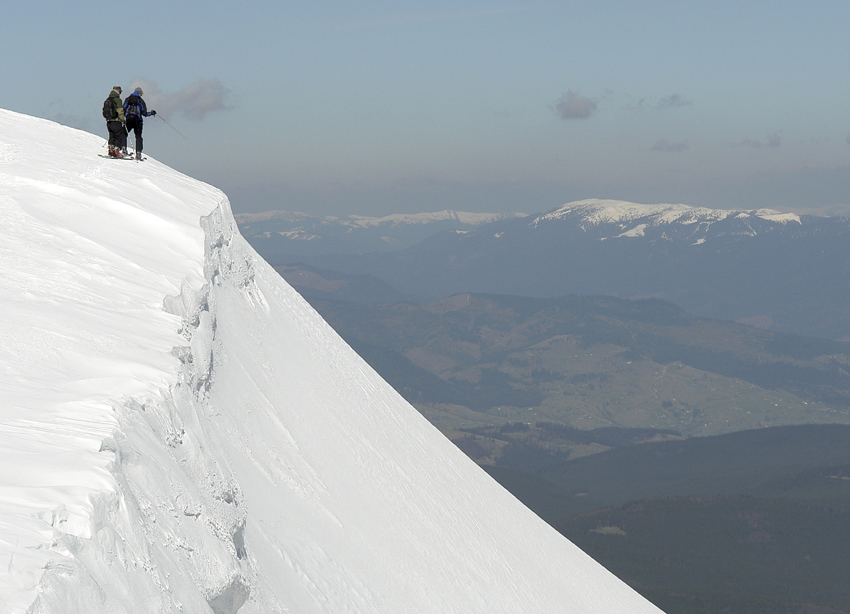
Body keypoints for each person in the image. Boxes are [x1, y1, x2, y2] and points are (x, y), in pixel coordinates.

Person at [123, 87, 156, 160]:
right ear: (139, 93)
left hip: (128, 120)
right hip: (138, 121)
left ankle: (124, 149)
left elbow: (123, 109)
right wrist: (151, 113)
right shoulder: (140, 101)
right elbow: (144, 113)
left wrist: (124, 117)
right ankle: (138, 153)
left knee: (124, 133)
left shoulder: (128, 99)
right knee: (138, 137)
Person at [105, 86, 128, 158]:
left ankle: (111, 150)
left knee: (111, 135)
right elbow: (120, 111)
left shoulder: (108, 99)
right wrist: (122, 119)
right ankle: (116, 151)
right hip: (116, 121)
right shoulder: (117, 100)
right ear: (117, 92)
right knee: (118, 136)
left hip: (109, 121)